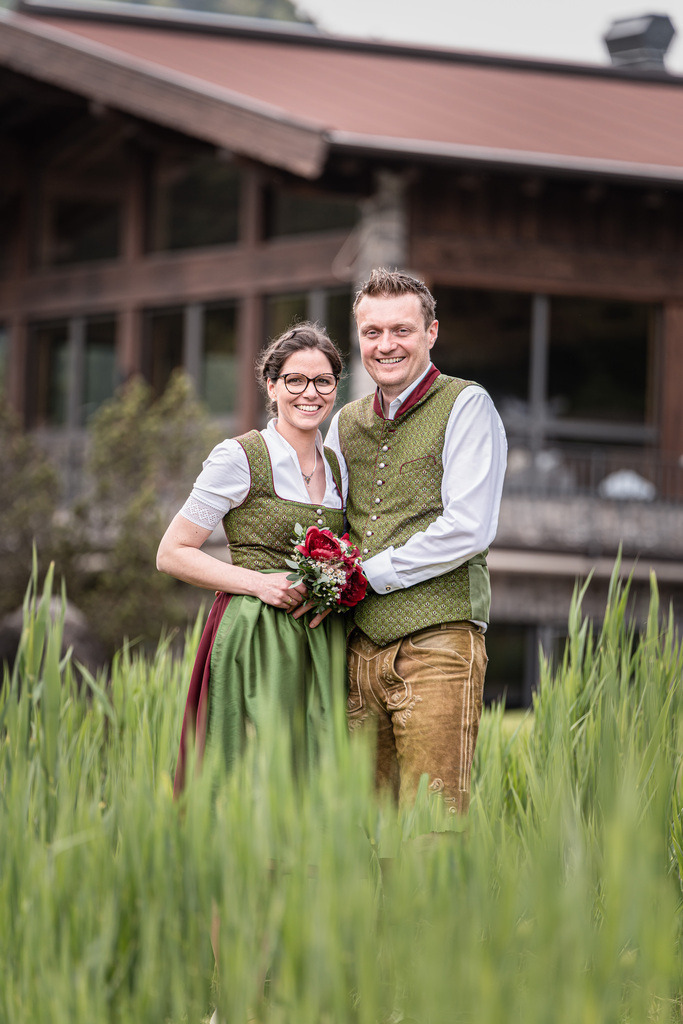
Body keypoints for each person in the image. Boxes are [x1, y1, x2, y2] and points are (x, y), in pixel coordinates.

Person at [326, 268, 507, 815]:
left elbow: (470, 527)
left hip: (439, 642)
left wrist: (367, 575)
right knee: (364, 830)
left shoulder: (467, 404)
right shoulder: (344, 421)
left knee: (433, 827)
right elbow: (326, 518)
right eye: (372, 332)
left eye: (401, 330)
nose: (386, 345)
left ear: (431, 332)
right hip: (356, 652)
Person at [157, 323, 348, 796]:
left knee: (317, 777)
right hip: (256, 635)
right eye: (295, 380)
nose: (310, 393)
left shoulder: (340, 464)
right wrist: (261, 584)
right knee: (254, 775)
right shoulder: (240, 456)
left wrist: (336, 587)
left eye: (323, 381)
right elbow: (172, 553)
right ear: (271, 385)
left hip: (322, 642)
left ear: (335, 387)